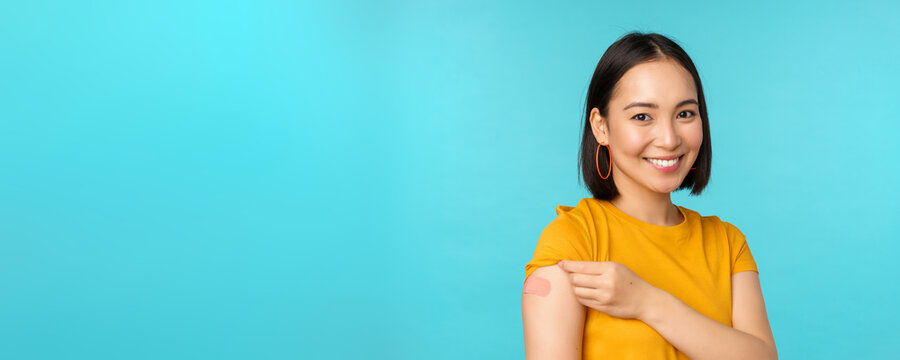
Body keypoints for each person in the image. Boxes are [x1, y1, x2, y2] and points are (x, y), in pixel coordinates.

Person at [521, 32, 778, 360]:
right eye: (642, 116)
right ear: (601, 126)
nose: (669, 139)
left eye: (685, 114)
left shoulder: (728, 244)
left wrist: (648, 302)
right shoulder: (575, 241)